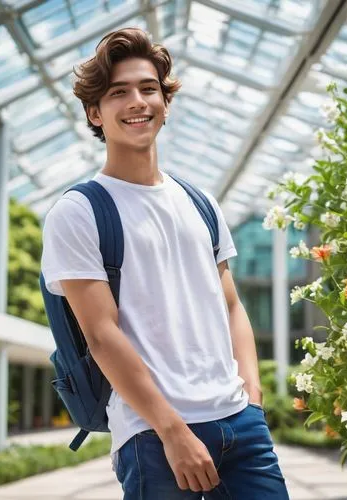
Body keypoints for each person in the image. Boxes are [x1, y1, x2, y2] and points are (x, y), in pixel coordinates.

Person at [41, 27, 289, 500]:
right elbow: (100, 334)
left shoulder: (201, 202)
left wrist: (252, 401)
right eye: (119, 93)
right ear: (95, 112)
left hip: (241, 425)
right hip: (153, 437)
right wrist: (173, 431)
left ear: (165, 103)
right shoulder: (79, 211)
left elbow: (232, 306)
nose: (137, 101)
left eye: (148, 88)